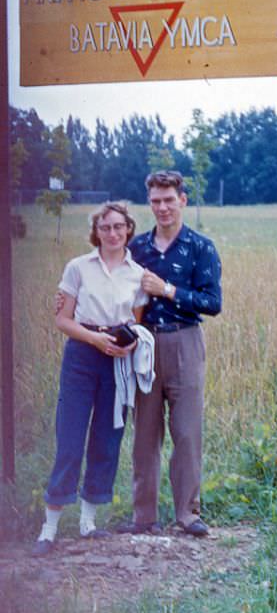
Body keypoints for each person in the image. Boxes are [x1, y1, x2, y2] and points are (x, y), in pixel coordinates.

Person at [34, 202, 148, 556]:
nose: (112, 233)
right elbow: (63, 320)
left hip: (116, 360)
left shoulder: (137, 273)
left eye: (118, 226)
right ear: (95, 231)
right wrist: (94, 339)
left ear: (128, 228)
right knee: (69, 436)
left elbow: (137, 321)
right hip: (82, 355)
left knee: (107, 437)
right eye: (105, 227)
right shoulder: (78, 267)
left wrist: (127, 346)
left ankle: (88, 523)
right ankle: (48, 528)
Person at [119, 169, 222, 537]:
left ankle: (188, 514)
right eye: (156, 201)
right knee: (145, 433)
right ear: (150, 203)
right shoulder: (137, 249)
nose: (162, 208)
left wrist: (168, 290)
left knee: (187, 431)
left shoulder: (201, 248)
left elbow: (213, 303)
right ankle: (143, 516)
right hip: (144, 344)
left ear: (183, 200)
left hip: (185, 343)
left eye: (169, 200)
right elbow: (115, 291)